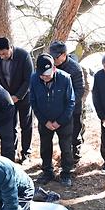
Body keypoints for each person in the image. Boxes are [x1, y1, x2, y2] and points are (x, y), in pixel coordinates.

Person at [30, 54, 76, 187]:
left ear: (54, 69)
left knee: (66, 148)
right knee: (45, 147)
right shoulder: (33, 79)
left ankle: (66, 173)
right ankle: (47, 172)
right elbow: (33, 102)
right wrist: (44, 121)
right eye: (42, 75)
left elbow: (71, 102)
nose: (45, 78)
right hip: (45, 121)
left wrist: (59, 122)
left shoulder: (65, 78)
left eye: (48, 75)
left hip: (63, 121)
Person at [0, 37, 34, 162]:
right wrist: (3, 95)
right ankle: (12, 153)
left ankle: (26, 153)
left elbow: (29, 79)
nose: (1, 56)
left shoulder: (23, 55)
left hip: (24, 96)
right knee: (10, 126)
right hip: (6, 97)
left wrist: (18, 96)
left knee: (26, 125)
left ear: (10, 48)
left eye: (4, 53)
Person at [49, 41, 87, 163]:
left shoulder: (74, 68)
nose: (54, 59)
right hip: (55, 108)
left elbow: (80, 90)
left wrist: (67, 105)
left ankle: (75, 154)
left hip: (73, 108)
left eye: (56, 57)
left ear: (64, 54)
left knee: (75, 132)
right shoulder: (50, 66)